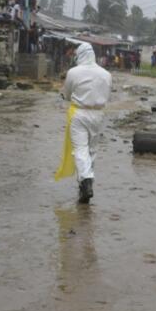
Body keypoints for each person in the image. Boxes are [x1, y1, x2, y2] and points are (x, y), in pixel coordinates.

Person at [55, 42, 112, 204]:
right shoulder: (106, 74)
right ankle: (87, 183)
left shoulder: (73, 72)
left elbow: (66, 94)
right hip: (99, 114)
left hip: (79, 113)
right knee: (92, 149)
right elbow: (107, 96)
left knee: (80, 148)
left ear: (79, 55)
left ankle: (86, 180)